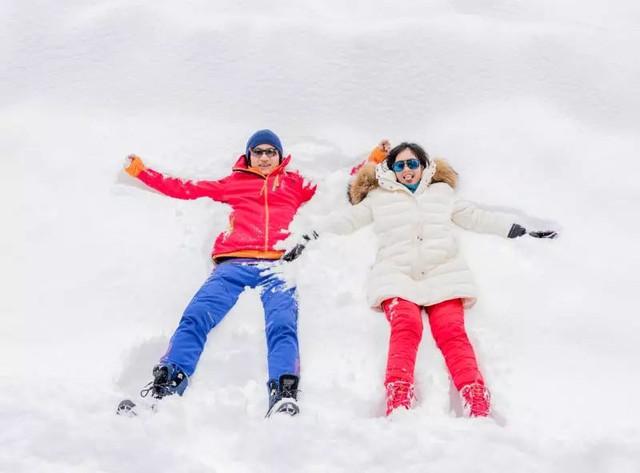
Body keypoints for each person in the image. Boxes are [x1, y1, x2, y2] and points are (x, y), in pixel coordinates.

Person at [284, 141, 557, 417]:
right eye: (400, 165)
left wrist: (518, 231)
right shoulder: (379, 197)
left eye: (412, 163)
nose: (407, 170)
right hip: (396, 274)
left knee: (453, 332)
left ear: (424, 166)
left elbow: (476, 218)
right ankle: (398, 396)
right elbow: (348, 219)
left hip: (443, 273)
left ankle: (476, 398)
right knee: (406, 326)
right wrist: (311, 234)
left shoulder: (441, 193)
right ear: (391, 169)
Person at [121, 129, 316, 417]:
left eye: (270, 152)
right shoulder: (234, 183)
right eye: (258, 152)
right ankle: (165, 388)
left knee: (282, 323)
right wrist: (142, 173)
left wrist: (373, 162)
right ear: (249, 156)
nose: (264, 157)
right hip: (233, 265)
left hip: (278, 265)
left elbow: (339, 189)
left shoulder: (295, 183)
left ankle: (283, 394)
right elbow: (186, 188)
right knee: (196, 315)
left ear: (280, 156)